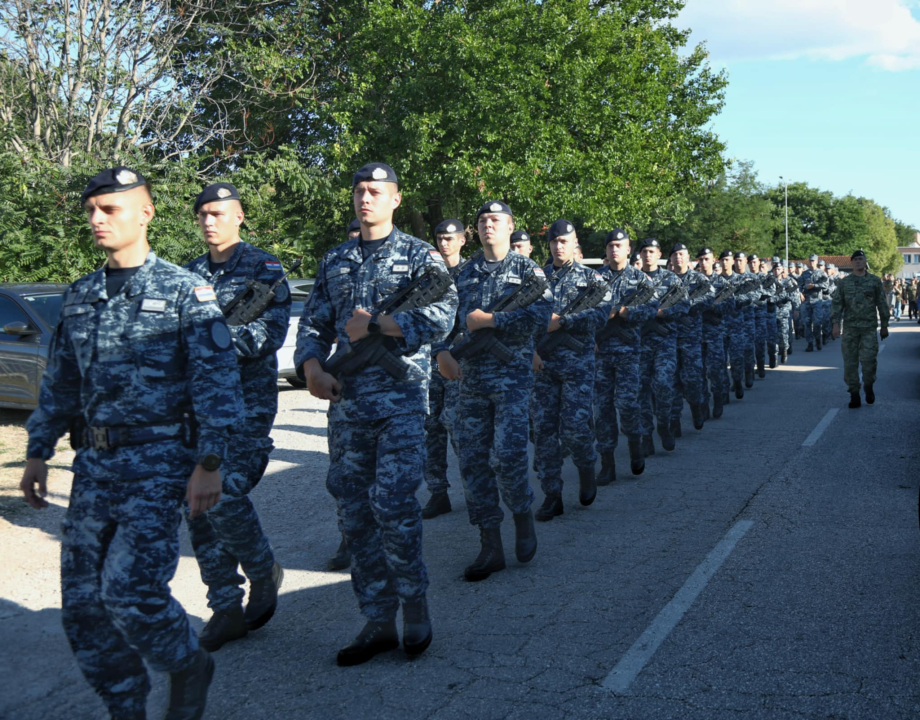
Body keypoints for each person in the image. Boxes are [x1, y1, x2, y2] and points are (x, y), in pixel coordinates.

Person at [21, 167, 243, 720]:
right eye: (91, 209)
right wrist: (37, 451)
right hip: (94, 467)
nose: (97, 219)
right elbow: (61, 385)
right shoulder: (80, 296)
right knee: (83, 609)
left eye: (110, 209)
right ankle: (126, 707)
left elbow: (216, 386)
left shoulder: (183, 292)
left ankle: (186, 662)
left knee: (129, 591)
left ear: (145, 212)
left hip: (159, 464)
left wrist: (209, 462)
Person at [295, 162, 457, 666]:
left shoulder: (420, 256)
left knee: (393, 504)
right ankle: (377, 618)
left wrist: (384, 324)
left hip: (402, 402)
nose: (365, 198)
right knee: (355, 511)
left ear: (395, 199)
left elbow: (445, 313)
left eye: (375, 191)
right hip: (347, 406)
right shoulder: (336, 259)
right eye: (359, 190)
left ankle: (414, 605)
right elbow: (314, 322)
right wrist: (310, 367)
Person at [183, 182, 289, 652]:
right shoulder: (187, 276)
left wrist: (211, 342)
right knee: (198, 506)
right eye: (203, 214)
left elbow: (268, 333)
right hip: (199, 409)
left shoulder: (263, 269)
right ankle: (224, 606)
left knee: (224, 495)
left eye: (219, 213)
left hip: (247, 405)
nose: (210, 221)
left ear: (239, 216)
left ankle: (262, 566)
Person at [442, 200, 551, 581]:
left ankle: (522, 514)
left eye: (496, 220)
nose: (488, 225)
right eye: (483, 221)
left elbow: (540, 316)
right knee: (472, 462)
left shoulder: (527, 270)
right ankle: (490, 544)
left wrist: (493, 320)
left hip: (512, 380)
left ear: (509, 227)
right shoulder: (465, 271)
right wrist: (443, 351)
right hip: (470, 381)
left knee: (507, 457)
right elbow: (443, 317)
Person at [531, 219, 607, 521]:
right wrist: (533, 350)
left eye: (564, 241)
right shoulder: (537, 279)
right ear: (548, 245)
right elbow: (524, 319)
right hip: (543, 366)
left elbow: (601, 315)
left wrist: (563, 321)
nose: (559, 246)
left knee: (575, 428)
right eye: (554, 242)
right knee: (544, 432)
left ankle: (587, 466)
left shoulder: (593, 279)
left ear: (574, 244)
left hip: (577, 365)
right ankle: (552, 494)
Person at [593, 229, 658, 481]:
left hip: (629, 352)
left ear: (629, 249)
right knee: (602, 408)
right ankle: (607, 462)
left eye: (619, 246)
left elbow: (651, 309)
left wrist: (623, 312)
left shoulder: (641, 280)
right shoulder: (595, 278)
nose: (614, 250)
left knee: (628, 403)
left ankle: (635, 445)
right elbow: (586, 311)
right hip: (601, 353)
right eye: (610, 246)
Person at [421, 219, 468, 519]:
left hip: (458, 360)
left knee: (457, 425)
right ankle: (438, 492)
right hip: (429, 361)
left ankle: (474, 489)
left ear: (463, 240)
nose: (444, 242)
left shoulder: (472, 274)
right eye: (440, 237)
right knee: (430, 427)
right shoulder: (427, 275)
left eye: (450, 238)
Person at [637, 238, 688, 454]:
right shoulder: (633, 279)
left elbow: (685, 304)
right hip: (639, 343)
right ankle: (646, 434)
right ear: (639, 255)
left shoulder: (671, 279)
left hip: (665, 342)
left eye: (652, 251)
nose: (648, 255)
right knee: (641, 390)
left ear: (659, 255)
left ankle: (664, 423)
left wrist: (662, 313)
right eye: (645, 251)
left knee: (664, 384)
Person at [831, 250, 889, 408]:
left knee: (869, 361)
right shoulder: (844, 282)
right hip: (850, 328)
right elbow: (837, 304)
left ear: (865, 262)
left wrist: (884, 325)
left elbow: (882, 304)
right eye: (855, 259)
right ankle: (854, 394)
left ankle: (868, 385)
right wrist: (836, 324)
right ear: (851, 263)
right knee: (850, 362)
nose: (858, 261)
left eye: (860, 259)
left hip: (869, 328)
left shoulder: (874, 281)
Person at [668, 243, 711, 434]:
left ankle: (696, 406)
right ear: (670, 258)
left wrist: (685, 304)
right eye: (675, 254)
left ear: (688, 257)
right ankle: (674, 418)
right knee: (672, 379)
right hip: (668, 337)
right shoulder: (666, 279)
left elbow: (709, 298)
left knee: (693, 378)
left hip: (691, 337)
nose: (678, 257)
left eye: (682, 254)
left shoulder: (698, 278)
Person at [696, 247, 730, 418]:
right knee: (699, 371)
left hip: (715, 333)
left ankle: (718, 397)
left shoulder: (721, 282)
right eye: (701, 259)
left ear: (713, 260)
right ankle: (703, 403)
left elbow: (729, 305)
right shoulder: (693, 282)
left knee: (716, 370)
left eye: (706, 259)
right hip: (695, 333)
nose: (703, 262)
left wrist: (712, 307)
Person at [732, 252, 757, 388]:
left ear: (745, 261)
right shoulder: (730, 278)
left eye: (741, 260)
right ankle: (737, 378)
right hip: (732, 321)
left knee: (747, 349)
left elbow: (756, 295)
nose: (739, 263)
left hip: (747, 319)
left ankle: (749, 373)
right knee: (735, 352)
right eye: (736, 260)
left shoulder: (752, 278)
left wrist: (741, 298)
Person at [798, 254, 828, 352]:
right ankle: (810, 343)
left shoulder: (821, 273)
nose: (812, 262)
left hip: (817, 301)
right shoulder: (804, 273)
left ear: (817, 261)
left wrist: (814, 285)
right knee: (807, 323)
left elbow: (825, 285)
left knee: (817, 323)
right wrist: (800, 293)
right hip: (807, 301)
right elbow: (799, 286)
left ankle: (818, 339)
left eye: (813, 261)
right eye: (810, 261)